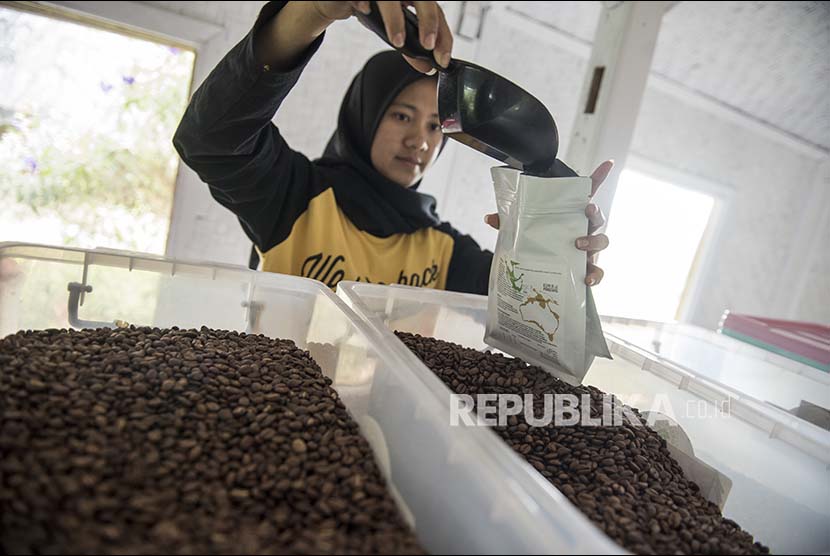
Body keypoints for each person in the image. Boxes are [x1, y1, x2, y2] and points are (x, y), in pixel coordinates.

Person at [173, 1, 611, 293]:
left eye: (436, 126)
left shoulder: (443, 251)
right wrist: (312, 11)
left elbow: (530, 303)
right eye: (401, 115)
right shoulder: (296, 198)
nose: (419, 140)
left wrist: (558, 242)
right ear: (364, 115)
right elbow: (210, 138)